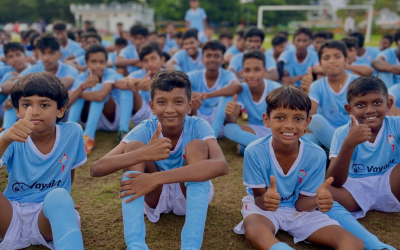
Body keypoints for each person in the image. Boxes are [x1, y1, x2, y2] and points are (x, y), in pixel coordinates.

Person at [90, 70, 228, 250]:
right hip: (154, 196)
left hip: (190, 195)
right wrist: (144, 153)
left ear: (189, 105)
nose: (170, 109)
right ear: (152, 106)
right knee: (134, 148)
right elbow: (96, 169)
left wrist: (155, 178)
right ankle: (136, 245)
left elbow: (221, 165)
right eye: (162, 102)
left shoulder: (199, 126)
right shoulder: (146, 128)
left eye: (178, 102)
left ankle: (191, 246)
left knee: (197, 147)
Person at [233, 85, 363, 250]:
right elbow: (259, 201)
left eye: (298, 118)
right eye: (280, 118)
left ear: (307, 122)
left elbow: (301, 205)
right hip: (263, 209)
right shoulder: (254, 151)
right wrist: (266, 200)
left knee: (353, 243)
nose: (289, 125)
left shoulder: (316, 155)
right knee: (255, 231)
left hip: (299, 211)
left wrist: (317, 200)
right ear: (266, 120)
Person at [0, 72, 86, 250]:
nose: (35, 111)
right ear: (17, 110)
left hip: (45, 218)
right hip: (11, 215)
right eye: (26, 104)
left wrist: (64, 201)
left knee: (58, 196)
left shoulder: (73, 132)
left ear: (61, 110)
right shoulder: (10, 137)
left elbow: (70, 167)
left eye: (44, 104)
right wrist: (6, 139)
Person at [326, 76, 399, 250]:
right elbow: (335, 181)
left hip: (392, 184)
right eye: (360, 105)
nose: (369, 110)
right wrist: (349, 144)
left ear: (388, 105)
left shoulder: (396, 124)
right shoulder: (342, 133)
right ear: (348, 109)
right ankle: (375, 245)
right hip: (356, 189)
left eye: (377, 103)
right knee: (321, 194)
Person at [211, 50, 281, 147]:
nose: (251, 75)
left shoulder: (276, 89)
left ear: (265, 72)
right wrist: (229, 114)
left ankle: (260, 147)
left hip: (275, 129)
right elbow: (232, 121)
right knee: (229, 129)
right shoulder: (242, 89)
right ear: (242, 73)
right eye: (247, 70)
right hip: (254, 130)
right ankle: (267, 147)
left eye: (257, 70)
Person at [301, 40, 359, 149]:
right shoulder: (317, 85)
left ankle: (345, 155)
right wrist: (305, 92)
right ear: (320, 64)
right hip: (327, 133)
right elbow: (310, 115)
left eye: (337, 57)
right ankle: (345, 154)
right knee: (311, 132)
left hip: (354, 132)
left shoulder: (357, 82)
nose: (332, 61)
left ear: (346, 60)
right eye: (326, 58)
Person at [68, 45, 122, 155]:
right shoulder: (82, 77)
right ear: (86, 63)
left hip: (111, 120)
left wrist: (79, 91)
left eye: (101, 62)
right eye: (93, 61)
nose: (98, 66)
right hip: (90, 118)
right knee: (80, 90)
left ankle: (89, 136)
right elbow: (68, 102)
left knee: (96, 88)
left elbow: (101, 96)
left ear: (106, 63)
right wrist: (82, 87)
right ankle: (70, 133)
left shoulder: (110, 73)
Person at [114, 41, 165, 141]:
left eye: (153, 58)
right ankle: (123, 131)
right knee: (127, 88)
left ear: (162, 59)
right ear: (141, 63)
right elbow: (118, 83)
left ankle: (152, 134)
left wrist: (152, 83)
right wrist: (139, 84)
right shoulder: (139, 74)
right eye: (145, 61)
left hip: (161, 116)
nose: (150, 64)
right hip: (142, 114)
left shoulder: (168, 74)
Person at [188, 40, 239, 135]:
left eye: (216, 56)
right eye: (208, 55)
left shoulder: (227, 75)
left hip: (218, 119)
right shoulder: (195, 75)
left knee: (228, 95)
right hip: (197, 115)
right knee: (186, 96)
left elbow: (237, 86)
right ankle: (203, 133)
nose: (212, 59)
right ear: (202, 59)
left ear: (223, 59)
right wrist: (191, 96)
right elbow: (176, 84)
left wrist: (206, 95)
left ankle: (212, 134)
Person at [0, 43, 31, 130]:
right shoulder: (7, 70)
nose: (15, 59)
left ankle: (5, 130)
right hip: (6, 110)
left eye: (18, 54)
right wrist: (2, 88)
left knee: (13, 81)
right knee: (9, 76)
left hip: (29, 109)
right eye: (10, 56)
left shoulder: (34, 69)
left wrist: (13, 97)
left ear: (25, 55)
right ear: (6, 60)